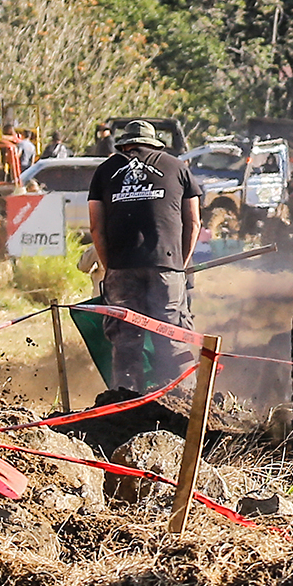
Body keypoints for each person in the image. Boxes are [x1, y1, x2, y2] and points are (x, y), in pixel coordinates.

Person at [87, 119, 202, 393]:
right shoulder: (177, 167)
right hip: (167, 264)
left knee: (126, 341)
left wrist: (111, 267)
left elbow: (95, 227)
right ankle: (183, 398)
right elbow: (194, 222)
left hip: (121, 266)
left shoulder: (105, 170)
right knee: (172, 335)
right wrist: (179, 265)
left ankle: (127, 402)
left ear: (125, 145)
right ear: (154, 145)